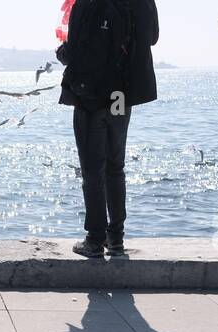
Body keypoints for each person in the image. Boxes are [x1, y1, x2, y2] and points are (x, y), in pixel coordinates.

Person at [57, 0, 160, 258]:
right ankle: (115, 239)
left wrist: (62, 52)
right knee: (115, 166)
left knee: (93, 170)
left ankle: (94, 240)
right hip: (121, 94)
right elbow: (152, 37)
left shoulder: (87, 3)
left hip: (92, 96)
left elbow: (77, 50)